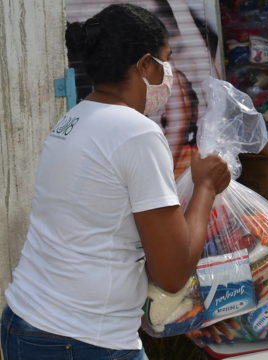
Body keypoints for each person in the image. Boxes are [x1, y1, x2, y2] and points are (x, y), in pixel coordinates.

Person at [1, 4, 234, 359]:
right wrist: (204, 188)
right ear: (144, 65)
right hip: (80, 339)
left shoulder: (77, 117)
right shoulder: (135, 132)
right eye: (166, 61)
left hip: (29, 321)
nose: (171, 75)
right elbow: (172, 274)